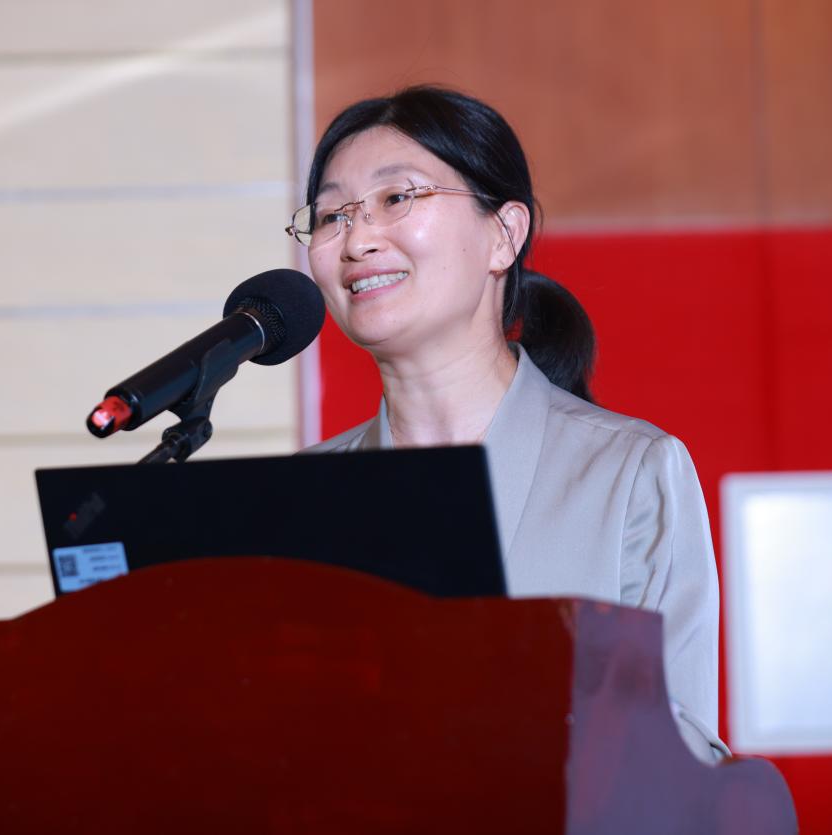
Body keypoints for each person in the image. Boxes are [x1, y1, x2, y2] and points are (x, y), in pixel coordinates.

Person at [287, 85, 728, 764]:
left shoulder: (628, 473)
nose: (358, 239)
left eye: (396, 197)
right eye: (331, 216)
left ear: (503, 234)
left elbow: (681, 760)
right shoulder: (300, 496)